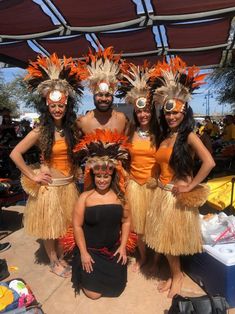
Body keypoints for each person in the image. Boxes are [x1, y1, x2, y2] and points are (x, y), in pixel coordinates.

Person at [10, 53, 86, 277]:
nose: (57, 109)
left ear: (66, 104)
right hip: (49, 189)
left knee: (64, 226)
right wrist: (32, 176)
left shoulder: (72, 130)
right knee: (50, 228)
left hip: (68, 187)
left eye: (60, 105)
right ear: (46, 105)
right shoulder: (40, 131)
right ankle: (54, 262)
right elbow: (16, 153)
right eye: (52, 106)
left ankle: (62, 257)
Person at [145, 57, 215, 298]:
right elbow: (160, 164)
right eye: (168, 114)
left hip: (177, 198)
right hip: (162, 194)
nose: (171, 117)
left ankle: (177, 275)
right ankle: (174, 273)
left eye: (175, 113)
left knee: (172, 243)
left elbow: (209, 162)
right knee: (166, 242)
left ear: (184, 112)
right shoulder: (165, 137)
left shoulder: (189, 136)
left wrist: (191, 187)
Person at [71, 129, 131, 299]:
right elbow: (77, 226)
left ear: (112, 176)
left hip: (113, 251)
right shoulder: (84, 198)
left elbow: (126, 222)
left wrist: (122, 247)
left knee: (117, 290)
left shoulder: (121, 198)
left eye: (106, 176)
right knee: (93, 294)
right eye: (98, 176)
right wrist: (83, 253)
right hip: (91, 252)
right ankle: (82, 270)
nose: (102, 180)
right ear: (93, 175)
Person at [118, 62, 160, 270]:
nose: (143, 114)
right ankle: (143, 257)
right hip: (135, 186)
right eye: (139, 111)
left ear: (152, 111)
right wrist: (126, 175)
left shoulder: (159, 134)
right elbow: (121, 156)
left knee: (155, 225)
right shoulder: (130, 133)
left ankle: (156, 259)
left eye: (146, 111)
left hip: (154, 186)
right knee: (140, 227)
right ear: (135, 112)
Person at [77, 47, 128, 135]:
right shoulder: (82, 122)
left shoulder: (122, 120)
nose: (104, 99)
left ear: (112, 96)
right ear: (93, 95)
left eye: (108, 95)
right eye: (100, 95)